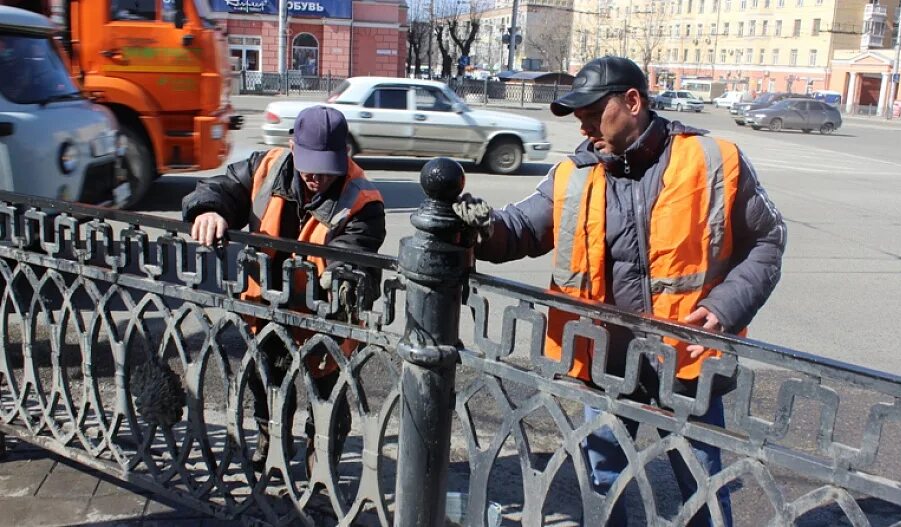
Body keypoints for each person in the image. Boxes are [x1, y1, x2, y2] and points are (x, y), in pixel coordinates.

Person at [453, 56, 785, 526]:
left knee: (704, 488)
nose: (585, 128)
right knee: (601, 485)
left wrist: (726, 306)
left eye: (593, 115)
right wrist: (480, 228)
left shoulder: (714, 160)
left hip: (685, 360)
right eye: (580, 119)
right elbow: (523, 228)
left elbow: (768, 240)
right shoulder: (576, 172)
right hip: (605, 361)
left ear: (632, 102)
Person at [182, 105, 386, 473]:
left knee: (327, 399)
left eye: (327, 168)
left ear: (346, 155)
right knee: (266, 386)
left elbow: (353, 250)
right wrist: (210, 210)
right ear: (292, 146)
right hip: (266, 308)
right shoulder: (266, 166)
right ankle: (271, 445)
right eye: (310, 164)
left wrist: (342, 277)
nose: (317, 177)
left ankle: (319, 466)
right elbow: (222, 187)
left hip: (323, 317)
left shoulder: (363, 199)